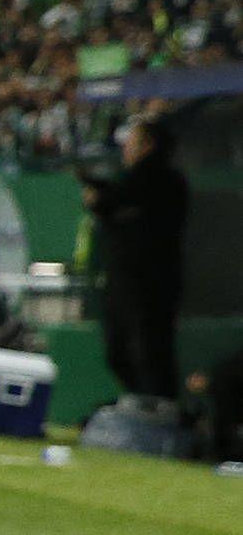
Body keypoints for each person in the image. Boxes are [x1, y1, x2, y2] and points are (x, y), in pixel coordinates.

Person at [84, 115, 190, 402]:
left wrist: (102, 201)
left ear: (148, 145)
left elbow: (114, 202)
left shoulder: (164, 181)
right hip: (124, 280)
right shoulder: (132, 183)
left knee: (149, 350)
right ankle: (140, 404)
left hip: (151, 282)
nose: (125, 150)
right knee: (120, 351)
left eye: (131, 143)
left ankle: (158, 411)